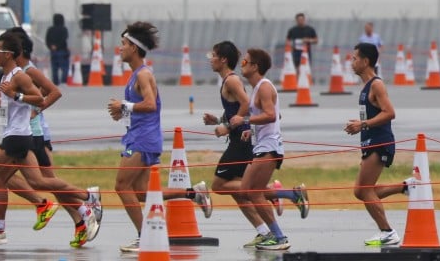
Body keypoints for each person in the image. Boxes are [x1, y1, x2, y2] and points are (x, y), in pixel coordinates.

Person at [0, 29, 100, 248]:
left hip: (19, 136)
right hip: (17, 134)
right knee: (33, 181)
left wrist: (16, 97)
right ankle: (84, 199)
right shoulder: (7, 76)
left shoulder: (22, 74)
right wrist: (0, 100)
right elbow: (13, 106)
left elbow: (40, 98)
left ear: (9, 53)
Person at [108, 22, 211, 253]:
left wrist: (124, 105)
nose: (120, 49)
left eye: (123, 44)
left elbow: (150, 104)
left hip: (142, 139)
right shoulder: (137, 74)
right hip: (141, 136)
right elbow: (141, 106)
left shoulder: (143, 75)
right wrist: (123, 111)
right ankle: (193, 192)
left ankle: (144, 236)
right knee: (143, 193)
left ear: (134, 48)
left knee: (121, 186)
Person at [202, 41, 308, 249]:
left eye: (245, 62)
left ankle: (279, 231)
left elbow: (270, 115)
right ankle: (276, 221)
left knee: (242, 190)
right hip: (258, 144)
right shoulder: (257, 87)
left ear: (255, 66)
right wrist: (225, 122)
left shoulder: (262, 86)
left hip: (267, 146)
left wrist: (242, 123)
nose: (242, 65)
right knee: (248, 192)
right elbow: (263, 114)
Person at [344, 42, 412, 247]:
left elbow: (390, 112)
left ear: (365, 61)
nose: (351, 62)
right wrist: (359, 126)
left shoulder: (376, 84)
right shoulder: (366, 87)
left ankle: (387, 231)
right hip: (369, 142)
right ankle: (406, 187)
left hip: (379, 142)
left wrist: (362, 124)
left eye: (355, 58)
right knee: (362, 191)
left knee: (364, 190)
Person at [45, 13, 71, 85]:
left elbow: (47, 40)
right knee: (65, 68)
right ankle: (63, 81)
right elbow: (64, 39)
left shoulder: (50, 30)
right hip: (63, 51)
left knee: (54, 68)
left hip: (53, 52)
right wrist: (58, 46)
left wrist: (51, 46)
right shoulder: (64, 29)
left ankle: (55, 82)